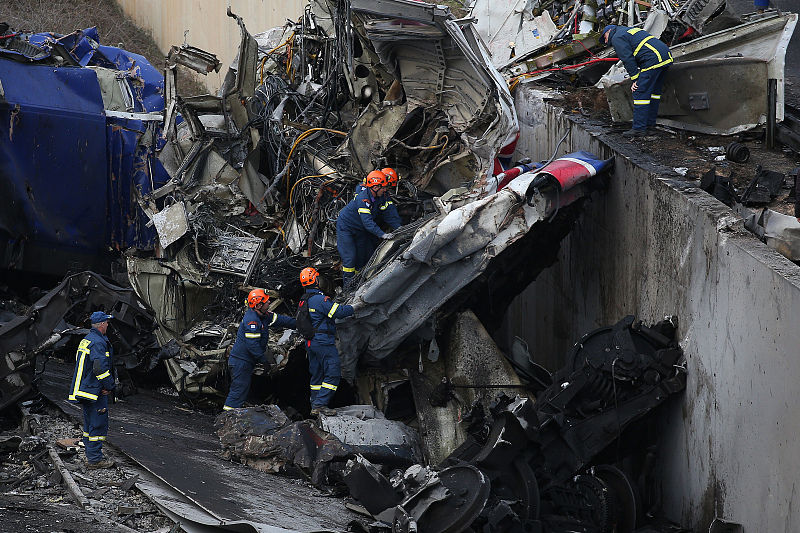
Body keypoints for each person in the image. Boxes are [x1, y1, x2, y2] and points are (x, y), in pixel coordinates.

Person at [223, 288, 296, 411]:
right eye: (266, 301)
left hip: (245, 361)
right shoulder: (252, 321)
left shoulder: (263, 315)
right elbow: (252, 345)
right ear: (258, 305)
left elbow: (281, 320)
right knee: (238, 392)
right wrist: (264, 361)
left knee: (242, 391)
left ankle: (231, 416)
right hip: (240, 362)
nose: (269, 302)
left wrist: (300, 323)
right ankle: (226, 417)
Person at [299, 267, 356, 416]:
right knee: (333, 373)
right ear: (316, 281)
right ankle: (320, 404)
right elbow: (339, 312)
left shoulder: (304, 300)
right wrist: (354, 307)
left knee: (317, 375)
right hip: (323, 342)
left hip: (311, 343)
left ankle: (314, 405)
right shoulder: (320, 299)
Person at [602, 24, 673, 137]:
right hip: (665, 57)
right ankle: (650, 126)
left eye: (604, 38)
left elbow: (627, 59)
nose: (606, 42)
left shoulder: (616, 37)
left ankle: (639, 129)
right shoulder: (627, 31)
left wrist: (635, 79)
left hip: (653, 60)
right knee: (654, 94)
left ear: (608, 31)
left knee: (640, 92)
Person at [68, 311, 116, 469]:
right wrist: (109, 386)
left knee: (89, 424)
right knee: (98, 424)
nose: (108, 325)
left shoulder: (87, 340)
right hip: (94, 391)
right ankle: (95, 460)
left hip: (85, 389)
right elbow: (99, 368)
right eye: (106, 322)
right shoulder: (98, 342)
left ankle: (91, 454)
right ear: (101, 324)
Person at [336, 170, 398, 287]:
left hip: (360, 230)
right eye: (384, 187)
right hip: (346, 227)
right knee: (350, 258)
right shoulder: (363, 198)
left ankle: (358, 283)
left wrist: (400, 228)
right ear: (375, 187)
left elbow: (389, 214)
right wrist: (383, 234)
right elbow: (368, 223)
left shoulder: (381, 196)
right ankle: (347, 288)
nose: (386, 190)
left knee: (363, 257)